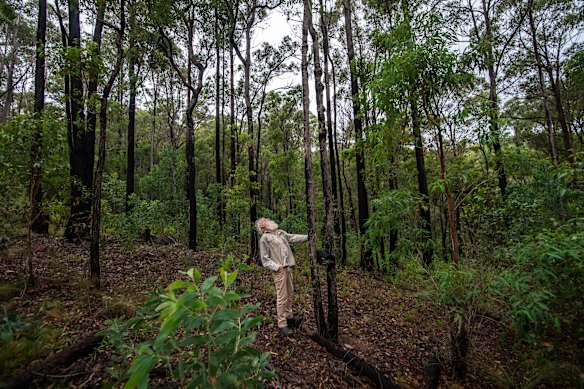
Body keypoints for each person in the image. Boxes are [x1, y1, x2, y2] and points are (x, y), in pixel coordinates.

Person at [256, 217, 307, 336]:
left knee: (290, 293)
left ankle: (290, 318)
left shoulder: (280, 233)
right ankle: (282, 324)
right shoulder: (265, 238)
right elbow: (264, 259)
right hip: (280, 270)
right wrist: (277, 267)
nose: (268, 220)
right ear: (262, 227)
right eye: (265, 220)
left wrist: (308, 236)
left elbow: (292, 237)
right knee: (282, 296)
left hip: (288, 266)